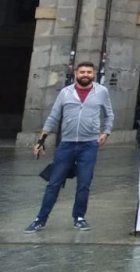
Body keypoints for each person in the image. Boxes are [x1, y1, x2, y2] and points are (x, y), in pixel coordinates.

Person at [26, 62, 114, 233]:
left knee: (84, 183)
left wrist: (106, 132)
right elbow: (53, 116)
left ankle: (79, 217)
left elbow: (109, 114)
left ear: (94, 74)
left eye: (89, 72)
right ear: (75, 73)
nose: (85, 74)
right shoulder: (66, 93)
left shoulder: (101, 92)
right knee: (54, 183)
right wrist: (41, 140)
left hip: (89, 145)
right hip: (66, 144)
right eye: (82, 72)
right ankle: (40, 219)